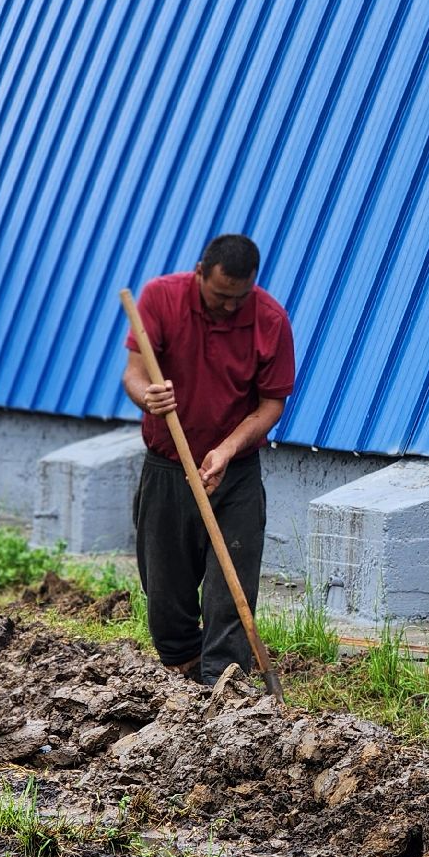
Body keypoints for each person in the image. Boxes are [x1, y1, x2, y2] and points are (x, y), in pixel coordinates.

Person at [123, 234, 294, 684]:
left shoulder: (270, 319)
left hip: (233, 473)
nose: (227, 307)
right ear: (200, 272)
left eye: (239, 298)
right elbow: (134, 373)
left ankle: (225, 683)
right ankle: (184, 666)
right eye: (219, 296)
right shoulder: (161, 298)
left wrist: (227, 449)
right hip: (168, 465)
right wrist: (149, 398)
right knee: (165, 590)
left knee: (230, 588)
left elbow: (271, 404)